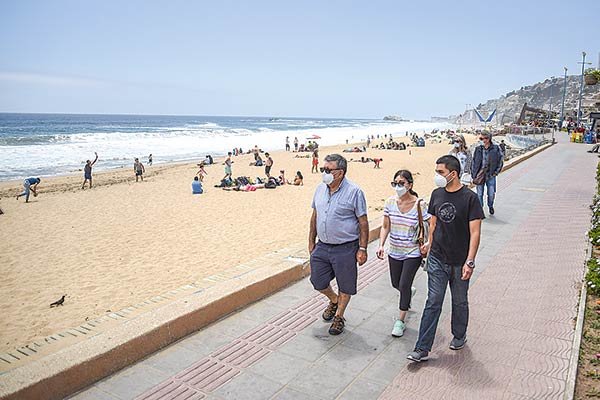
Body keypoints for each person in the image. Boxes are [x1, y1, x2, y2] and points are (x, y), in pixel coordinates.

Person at [407, 155, 484, 362]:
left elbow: (475, 232)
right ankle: (422, 348)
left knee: (459, 302)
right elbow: (433, 224)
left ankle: (459, 335)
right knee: (433, 301)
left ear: (453, 173)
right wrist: (429, 245)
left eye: (440, 172)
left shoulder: (470, 198)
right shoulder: (436, 194)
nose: (437, 176)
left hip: (460, 261)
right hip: (437, 259)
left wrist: (470, 261)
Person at [308, 154, 369, 335]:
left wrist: (362, 248)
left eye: (328, 170)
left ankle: (339, 316)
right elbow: (315, 216)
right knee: (318, 282)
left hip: (346, 247)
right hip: (322, 246)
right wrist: (311, 241)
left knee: (346, 285)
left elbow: (363, 222)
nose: (324, 173)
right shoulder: (320, 189)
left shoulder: (355, 192)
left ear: (340, 173)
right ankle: (334, 300)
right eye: (322, 169)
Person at [377, 170, 430, 337]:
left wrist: (428, 244)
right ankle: (408, 293)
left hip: (412, 251)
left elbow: (432, 225)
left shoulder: (420, 205)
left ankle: (400, 321)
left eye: (401, 183)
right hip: (395, 249)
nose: (398, 187)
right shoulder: (390, 202)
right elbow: (385, 226)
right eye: (395, 183)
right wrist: (381, 245)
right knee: (396, 283)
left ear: (410, 185)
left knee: (404, 284)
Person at [471, 132, 503, 215]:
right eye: (481, 138)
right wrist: (473, 175)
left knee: (491, 193)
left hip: (490, 175)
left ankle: (490, 205)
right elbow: (473, 162)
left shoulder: (496, 148)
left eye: (484, 138)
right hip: (479, 175)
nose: (482, 140)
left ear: (488, 139)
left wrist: (496, 172)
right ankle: (480, 210)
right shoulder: (478, 149)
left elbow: (500, 161)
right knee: (479, 194)